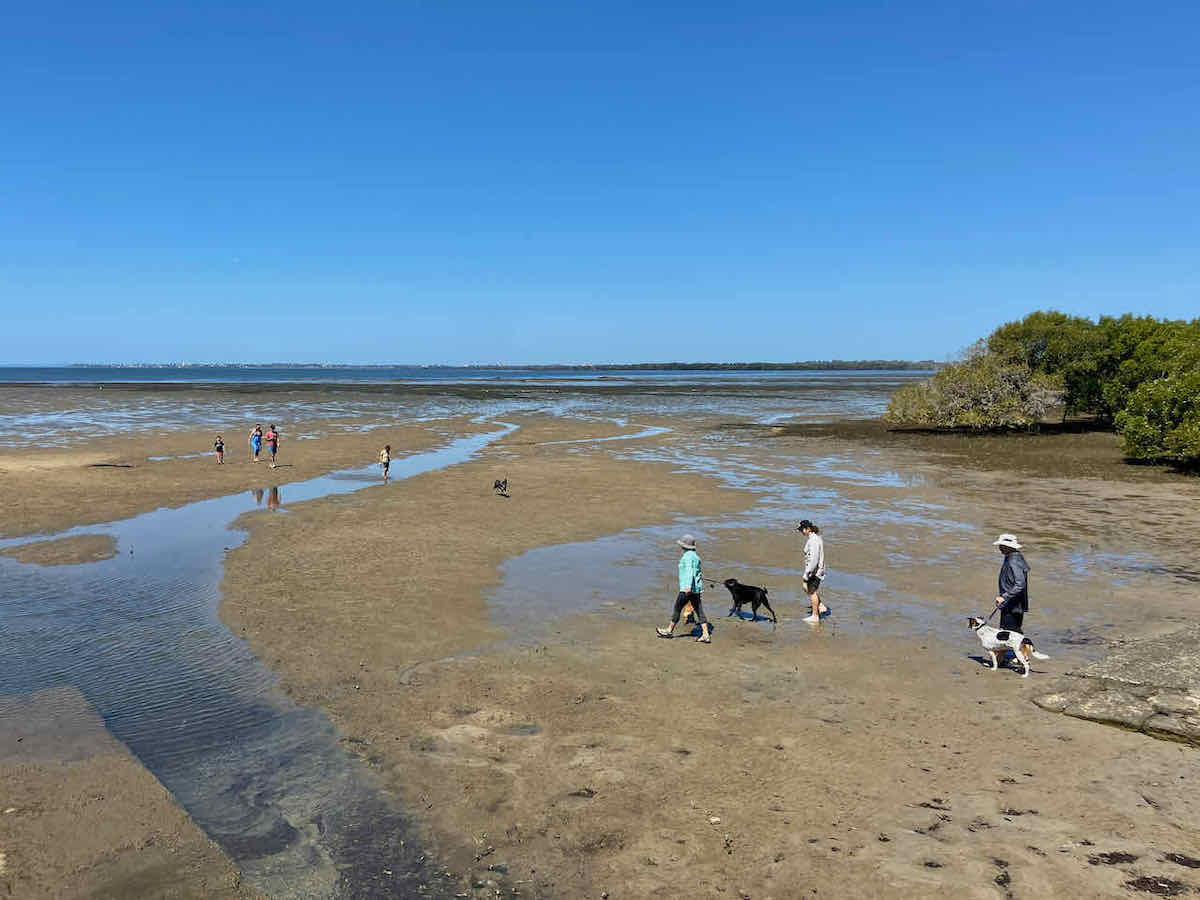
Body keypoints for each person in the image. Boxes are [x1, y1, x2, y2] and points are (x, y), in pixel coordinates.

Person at [656, 534, 712, 643]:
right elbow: (697, 572)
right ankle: (705, 634)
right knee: (699, 610)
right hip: (696, 589)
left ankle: (669, 630)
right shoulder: (695, 556)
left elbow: (690, 572)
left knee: (677, 608)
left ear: (684, 546)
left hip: (687, 589)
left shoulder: (688, 556)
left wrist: (687, 587)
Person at [993, 533, 1030, 632]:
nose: (999, 548)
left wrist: (1004, 597)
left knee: (1008, 633)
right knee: (1012, 632)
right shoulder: (1013, 557)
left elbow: (1020, 584)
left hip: (1013, 605)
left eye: (1001, 546)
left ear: (1007, 547)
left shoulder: (1013, 560)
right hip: (1012, 604)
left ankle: (1021, 647)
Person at [797, 519, 828, 623]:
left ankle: (815, 616)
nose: (801, 531)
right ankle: (821, 606)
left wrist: (807, 573)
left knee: (811, 591)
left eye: (802, 529)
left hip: (815, 571)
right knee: (808, 589)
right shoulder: (814, 538)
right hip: (816, 570)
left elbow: (814, 559)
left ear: (808, 529)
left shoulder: (814, 540)